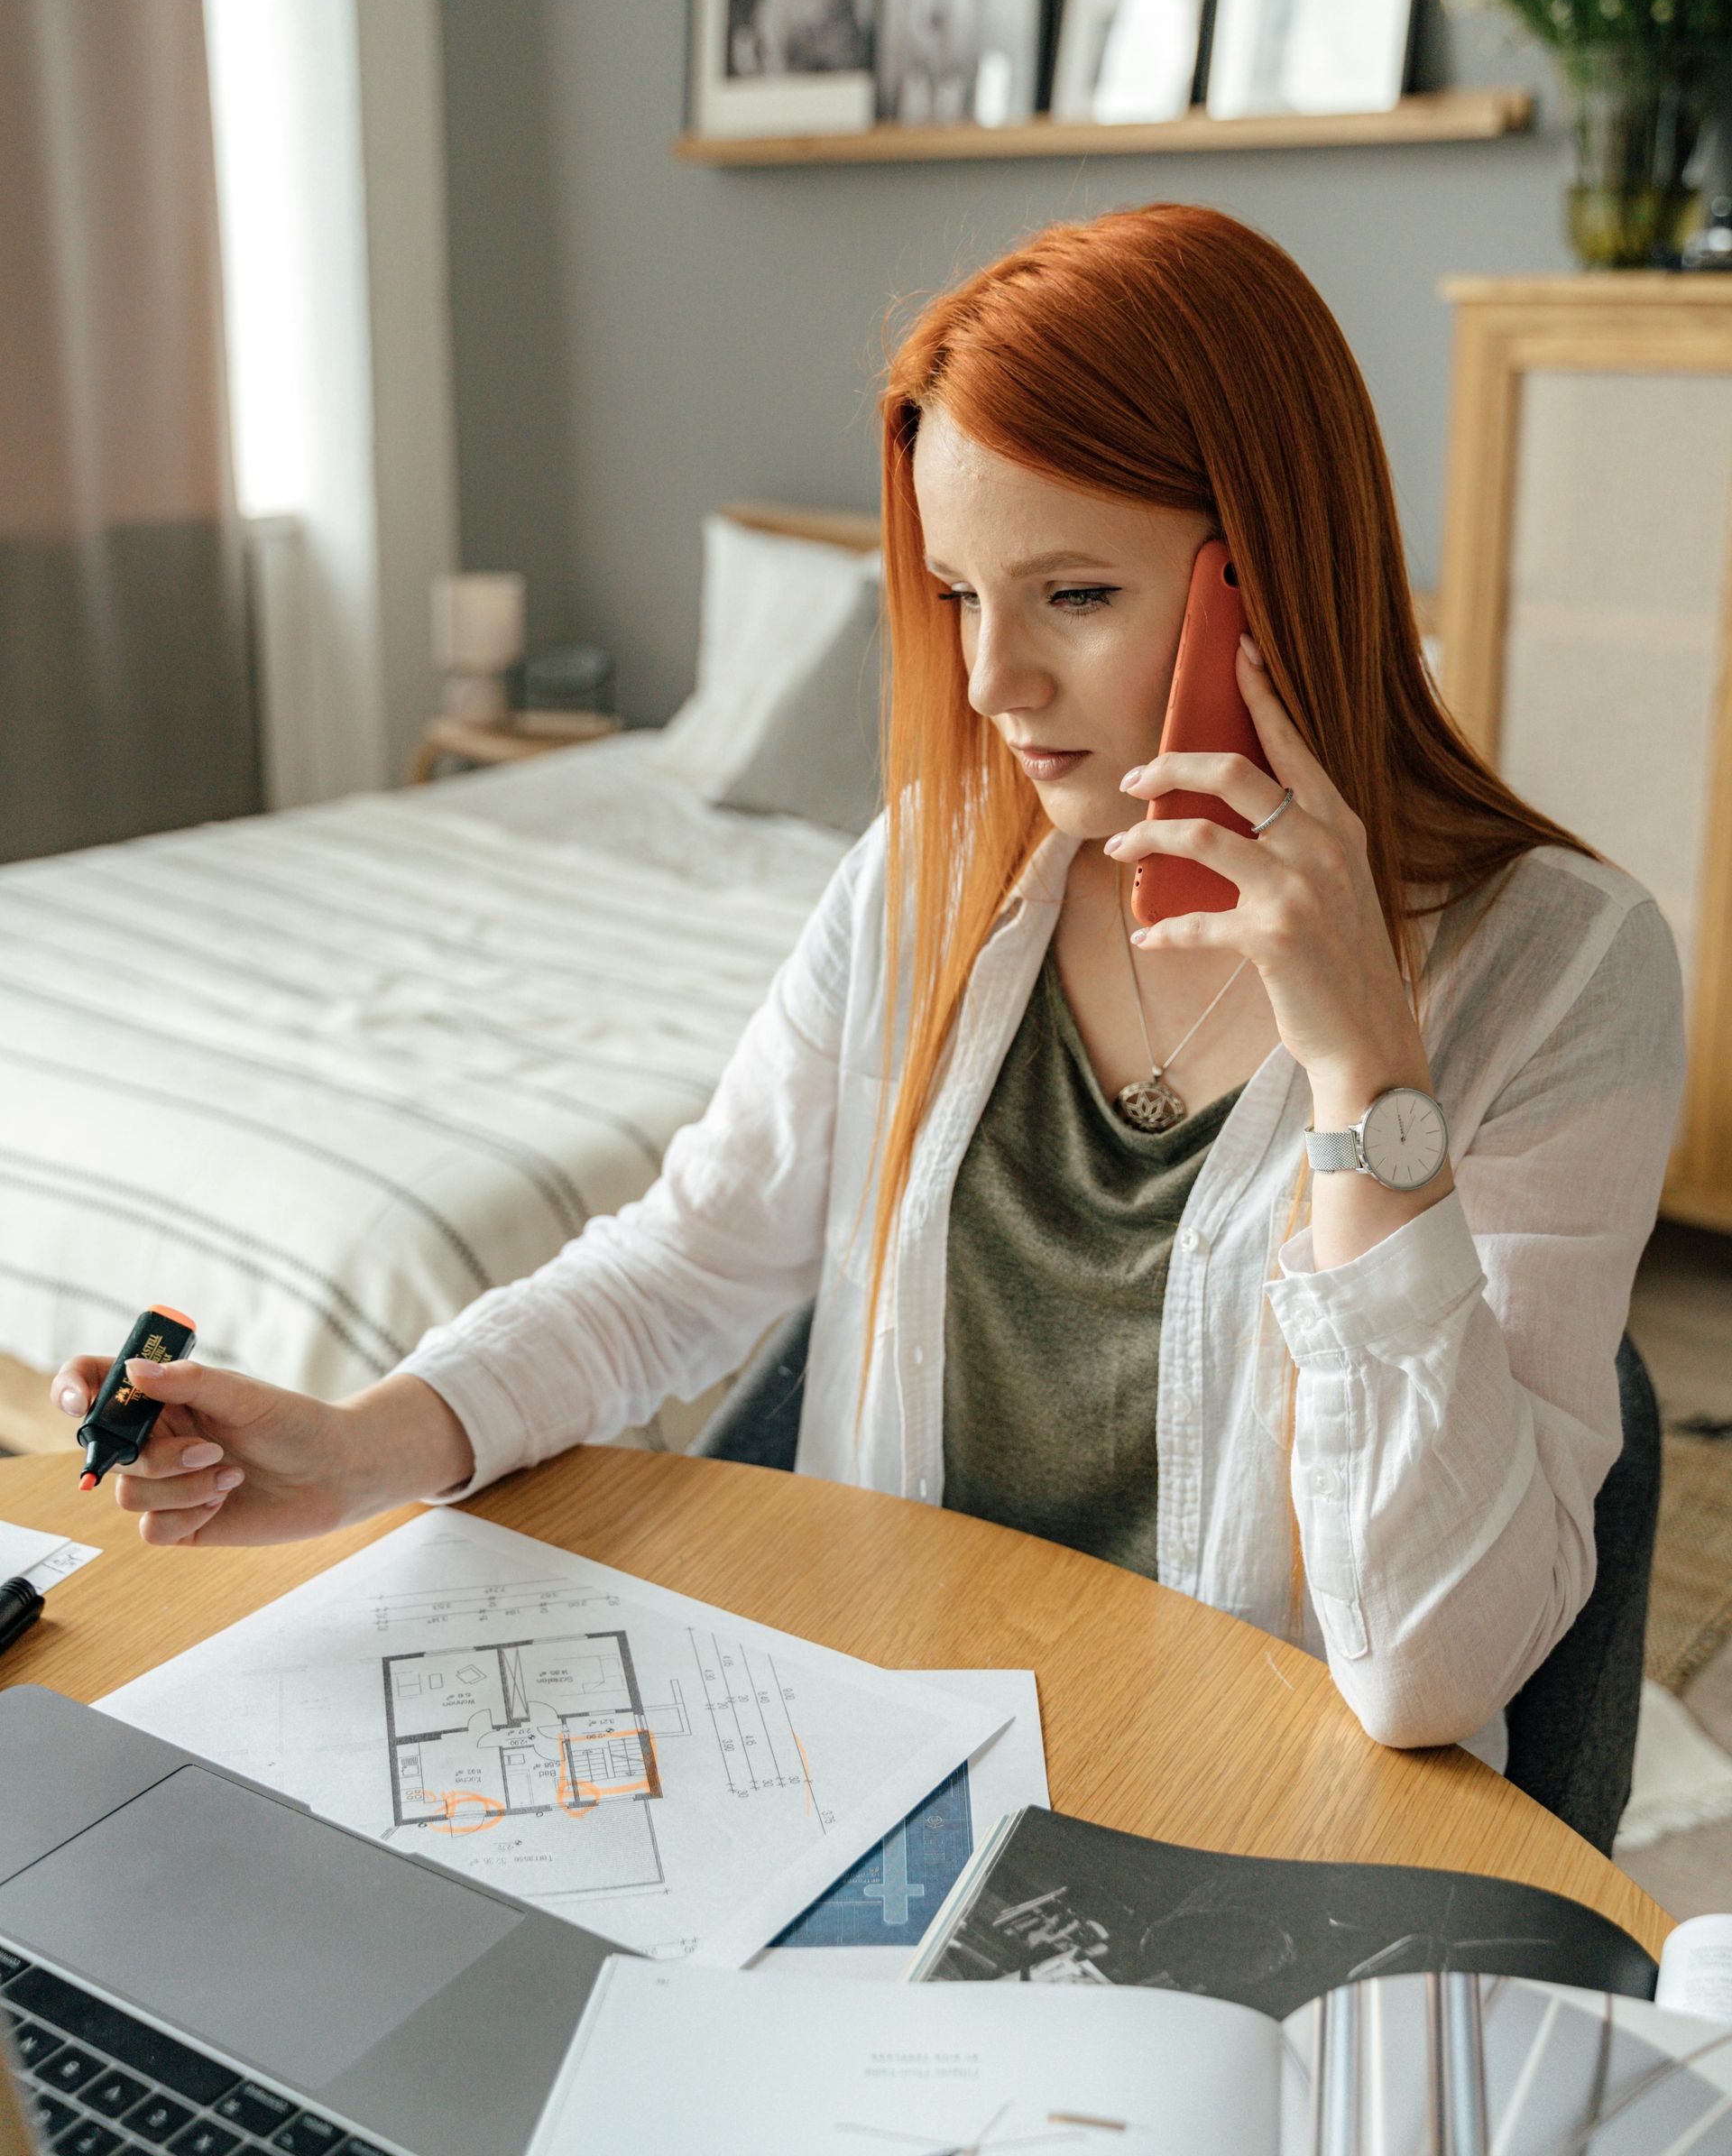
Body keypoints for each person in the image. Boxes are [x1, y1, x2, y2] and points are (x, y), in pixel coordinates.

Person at [53, 206, 1684, 1756]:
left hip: (1251, 1815)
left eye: (1078, 595)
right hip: (878, 1754)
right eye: (964, 595)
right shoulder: (931, 870)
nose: (994, 684)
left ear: (1269, 576)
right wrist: (359, 1450)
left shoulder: (1565, 968)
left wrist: (1366, 1082)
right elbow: (688, 1259)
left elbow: (1427, 1670)